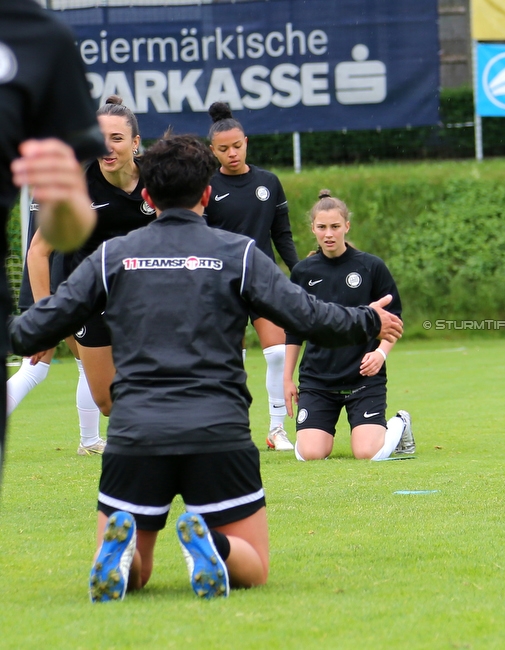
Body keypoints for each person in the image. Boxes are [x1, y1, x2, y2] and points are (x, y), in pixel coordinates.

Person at [8, 133, 403, 602]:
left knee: (137, 573)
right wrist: (370, 318)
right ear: (208, 194)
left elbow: (32, 329)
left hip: (136, 435)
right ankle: (211, 543)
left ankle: (124, 555)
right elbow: (311, 316)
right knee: (253, 566)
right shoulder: (238, 254)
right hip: (218, 432)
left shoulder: (112, 256)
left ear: (148, 197)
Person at [1, 0, 104, 489]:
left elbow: (64, 230)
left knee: (62, 362)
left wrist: (63, 197)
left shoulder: (40, 39)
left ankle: (95, 439)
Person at [25, 96, 155, 422]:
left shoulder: (159, 180)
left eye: (117, 139)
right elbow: (38, 251)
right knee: (108, 402)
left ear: (135, 143)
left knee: (163, 383)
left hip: (150, 297)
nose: (107, 148)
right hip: (93, 299)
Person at [284, 190, 414, 461]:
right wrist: (286, 379)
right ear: (312, 229)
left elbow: (394, 321)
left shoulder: (371, 267)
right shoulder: (303, 272)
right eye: (322, 227)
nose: (328, 233)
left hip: (363, 379)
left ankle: (400, 423)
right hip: (318, 379)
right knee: (310, 454)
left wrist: (380, 354)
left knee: (367, 453)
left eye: (334, 226)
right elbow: (294, 329)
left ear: (346, 226)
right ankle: (313, 433)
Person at [204, 102, 300, 452]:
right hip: (221, 285)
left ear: (246, 142)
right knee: (232, 359)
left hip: (262, 280)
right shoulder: (206, 186)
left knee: (277, 353)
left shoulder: (268, 183)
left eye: (237, 146)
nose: (232, 153)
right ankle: (233, 429)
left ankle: (276, 430)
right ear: (212, 150)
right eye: (223, 148)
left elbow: (282, 235)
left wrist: (300, 272)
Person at [6, 203, 103, 457]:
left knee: (34, 371)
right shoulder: (81, 182)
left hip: (39, 282)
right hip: (64, 282)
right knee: (84, 362)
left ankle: (91, 440)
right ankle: (90, 441)